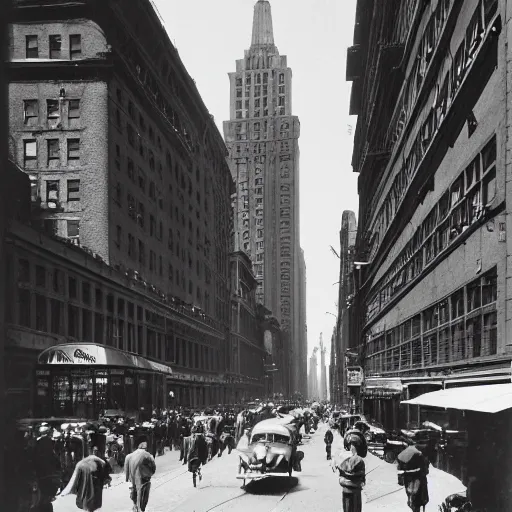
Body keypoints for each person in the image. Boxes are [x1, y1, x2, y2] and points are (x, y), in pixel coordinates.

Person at [124, 439, 156, 512]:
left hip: (133, 479)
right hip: (144, 479)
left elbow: (126, 468)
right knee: (143, 495)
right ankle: (141, 509)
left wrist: (127, 478)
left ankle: (135, 506)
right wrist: (149, 474)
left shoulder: (129, 456)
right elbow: (153, 468)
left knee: (134, 492)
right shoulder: (148, 455)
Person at [397, 444, 429, 512]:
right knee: (418, 500)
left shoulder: (406, 455)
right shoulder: (420, 456)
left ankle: (411, 505)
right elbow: (425, 471)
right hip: (419, 481)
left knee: (412, 497)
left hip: (408, 480)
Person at [338, 435, 366, 512]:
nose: (351, 448)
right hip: (355, 491)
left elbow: (340, 471)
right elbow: (362, 477)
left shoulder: (344, 457)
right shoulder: (360, 460)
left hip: (345, 490)